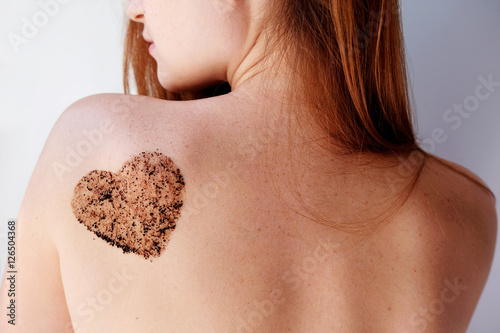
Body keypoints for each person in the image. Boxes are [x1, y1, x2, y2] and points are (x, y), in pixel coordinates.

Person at [1, 0, 497, 332]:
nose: (133, 9)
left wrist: (11, 251)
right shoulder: (467, 211)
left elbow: (13, 307)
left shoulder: (93, 139)